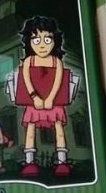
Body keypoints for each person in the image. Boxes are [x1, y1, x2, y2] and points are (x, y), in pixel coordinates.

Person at [18, 16, 71, 177]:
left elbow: (58, 82)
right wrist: (35, 97)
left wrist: (50, 99)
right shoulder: (29, 61)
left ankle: (62, 162)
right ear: (29, 42)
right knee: (30, 130)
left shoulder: (57, 62)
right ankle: (30, 162)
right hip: (34, 102)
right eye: (36, 40)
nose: (41, 45)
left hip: (53, 103)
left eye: (47, 40)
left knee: (59, 129)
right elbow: (26, 80)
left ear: (55, 41)